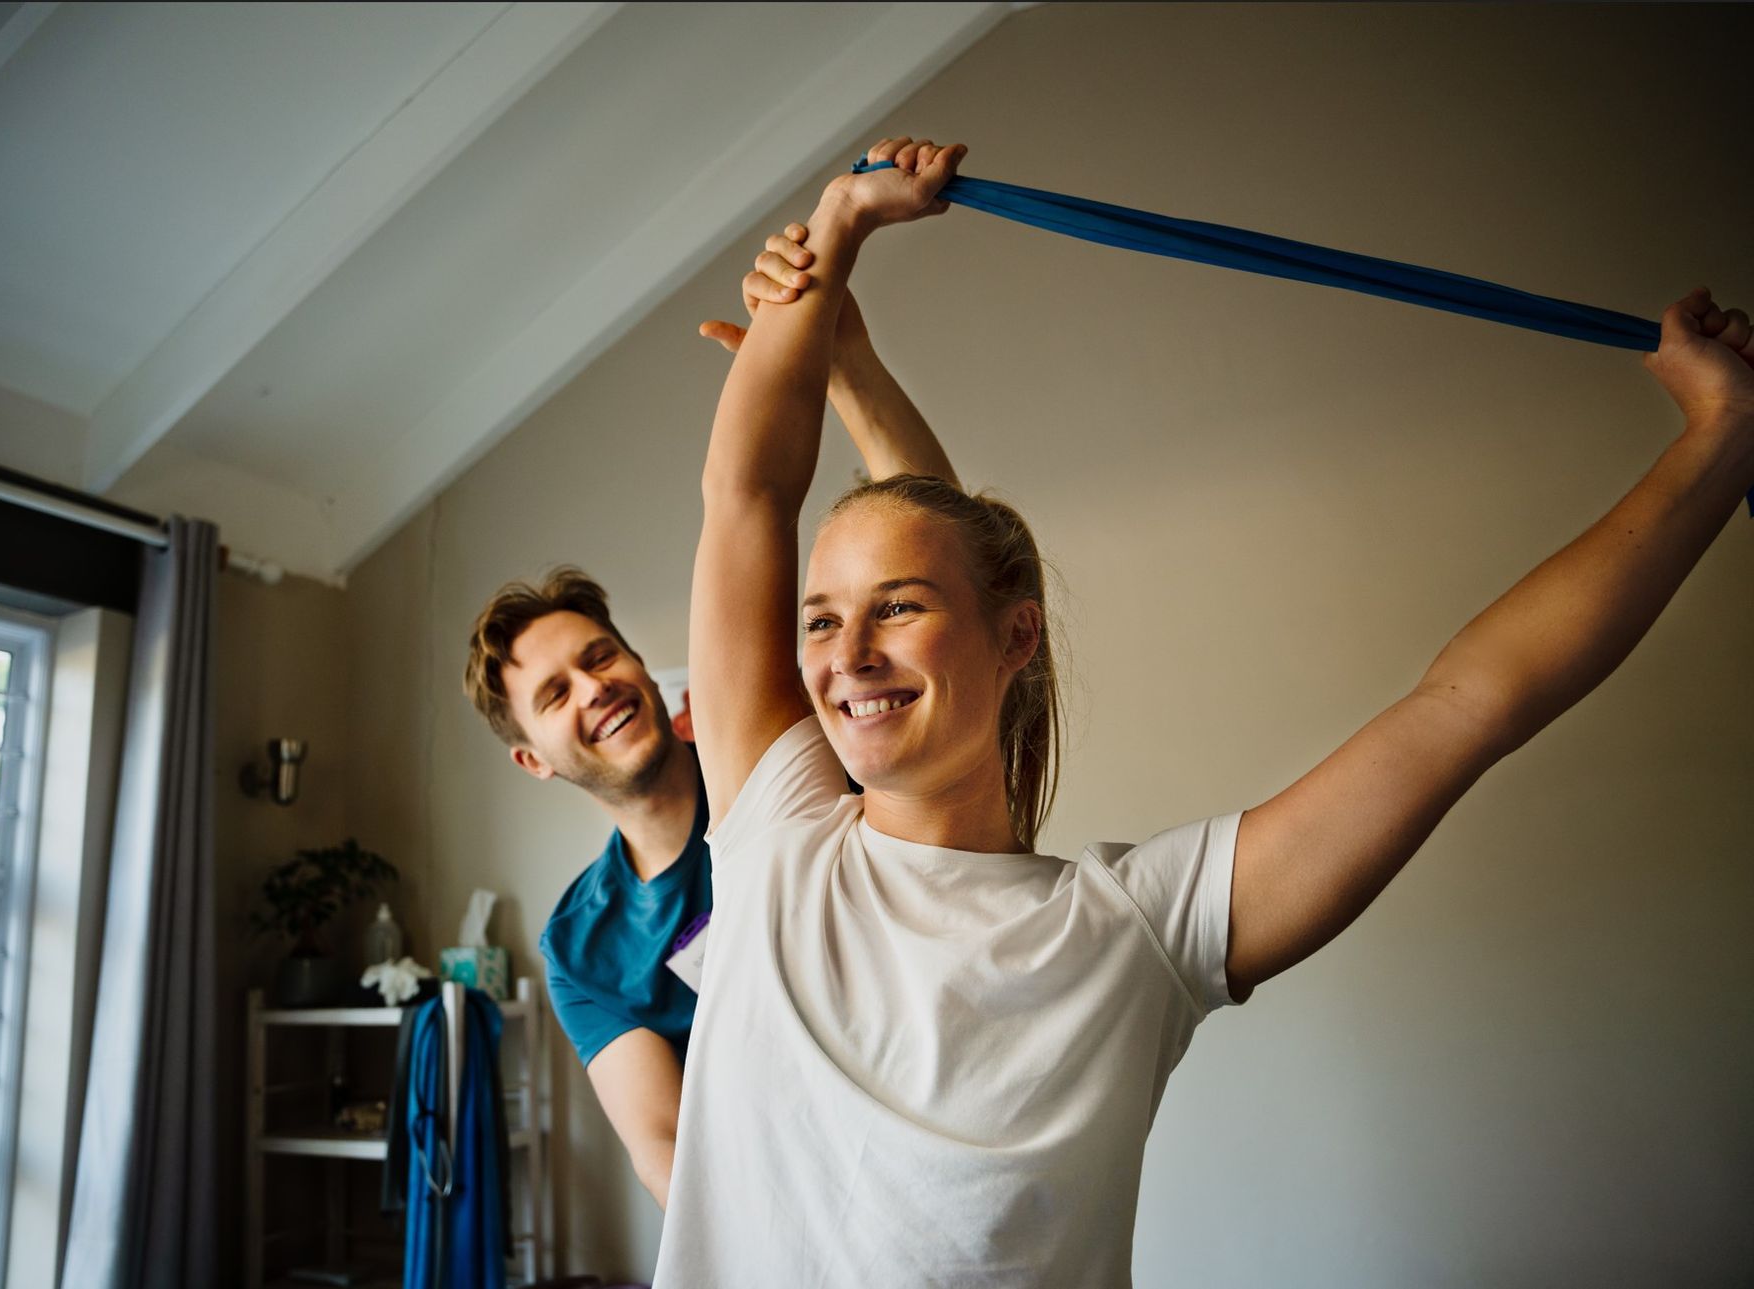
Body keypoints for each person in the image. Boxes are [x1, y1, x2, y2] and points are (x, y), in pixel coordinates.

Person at [657, 135, 1754, 1285]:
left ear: (1016, 637)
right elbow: (747, 496)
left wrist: (1722, 440)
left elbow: (1473, 700)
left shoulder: (1137, 927)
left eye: (896, 609)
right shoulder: (778, 838)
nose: (846, 655)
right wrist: (833, 238)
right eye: (820, 620)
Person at [462, 228, 957, 1209]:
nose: (594, 686)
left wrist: (845, 362)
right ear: (533, 757)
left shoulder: (787, 744)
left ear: (643, 664)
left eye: (599, 656)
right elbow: (667, 1147)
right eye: (556, 692)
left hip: (937, 1134)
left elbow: (936, 547)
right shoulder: (582, 945)